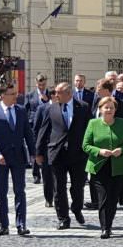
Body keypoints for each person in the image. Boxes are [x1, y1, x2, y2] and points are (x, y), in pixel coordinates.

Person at [36, 82, 91, 230]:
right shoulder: (51, 108)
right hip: (57, 153)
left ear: (68, 93)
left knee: (78, 186)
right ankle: (63, 218)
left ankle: (77, 208)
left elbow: (89, 129)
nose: (55, 95)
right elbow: (44, 130)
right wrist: (38, 152)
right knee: (58, 188)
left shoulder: (83, 107)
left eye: (59, 93)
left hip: (78, 153)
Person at [0, 84, 35, 236]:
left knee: (20, 191)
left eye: (15, 93)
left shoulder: (21, 111)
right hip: (0, 159)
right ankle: (4, 225)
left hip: (18, 157)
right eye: (12, 94)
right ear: (2, 96)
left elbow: (28, 133)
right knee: (1, 193)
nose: (15, 96)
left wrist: (33, 153)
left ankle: (21, 224)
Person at [82, 96, 123, 239]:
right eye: (106, 107)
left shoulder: (122, 123)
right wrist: (99, 151)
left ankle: (108, 222)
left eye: (111, 107)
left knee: (113, 198)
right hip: (99, 167)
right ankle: (105, 227)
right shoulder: (93, 123)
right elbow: (85, 145)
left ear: (115, 110)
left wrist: (121, 150)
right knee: (103, 198)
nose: (109, 110)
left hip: (118, 167)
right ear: (100, 109)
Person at [25, 74, 51, 184]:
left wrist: (47, 100)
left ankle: (48, 172)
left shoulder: (50, 94)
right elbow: (26, 110)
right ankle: (36, 174)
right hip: (34, 125)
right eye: (40, 85)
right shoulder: (30, 95)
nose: (42, 87)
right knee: (35, 148)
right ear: (36, 83)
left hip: (48, 125)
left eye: (44, 84)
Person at [32, 101, 54, 208]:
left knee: (59, 176)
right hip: (46, 147)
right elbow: (37, 129)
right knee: (47, 175)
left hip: (61, 148)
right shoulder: (43, 109)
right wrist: (38, 150)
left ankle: (58, 198)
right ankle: (49, 198)